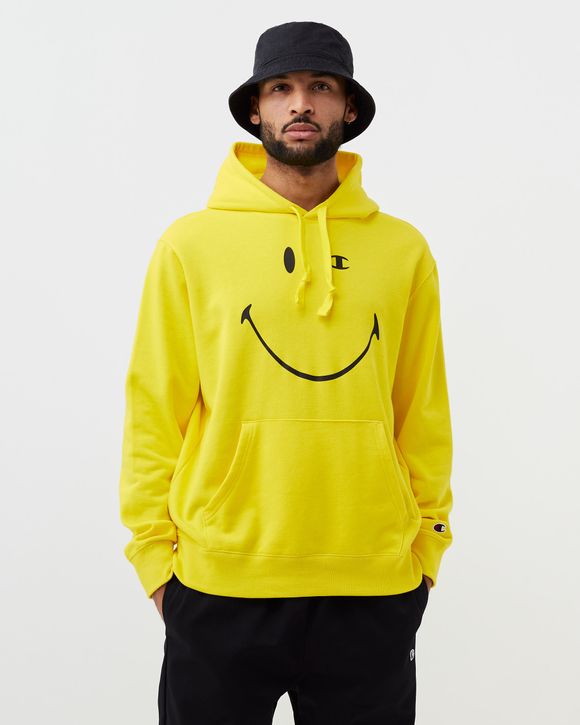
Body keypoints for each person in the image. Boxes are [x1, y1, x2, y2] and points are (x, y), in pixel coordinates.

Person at [118, 20, 454, 725]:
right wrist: (155, 561)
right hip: (219, 585)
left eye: (320, 87)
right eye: (281, 88)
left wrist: (427, 548)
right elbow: (154, 408)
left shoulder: (403, 251)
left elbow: (421, 410)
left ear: (348, 109)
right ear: (256, 109)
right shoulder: (190, 245)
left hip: (372, 588)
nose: (301, 103)